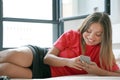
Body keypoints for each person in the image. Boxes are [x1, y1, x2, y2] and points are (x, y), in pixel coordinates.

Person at [0, 12, 120, 79]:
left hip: (47, 73)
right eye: (88, 31)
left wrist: (98, 71)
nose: (91, 37)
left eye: (98, 34)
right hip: (40, 55)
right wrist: (69, 62)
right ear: (83, 28)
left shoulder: (102, 54)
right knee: (12, 55)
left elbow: (117, 73)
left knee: (4, 69)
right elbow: (47, 58)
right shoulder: (72, 35)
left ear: (105, 36)